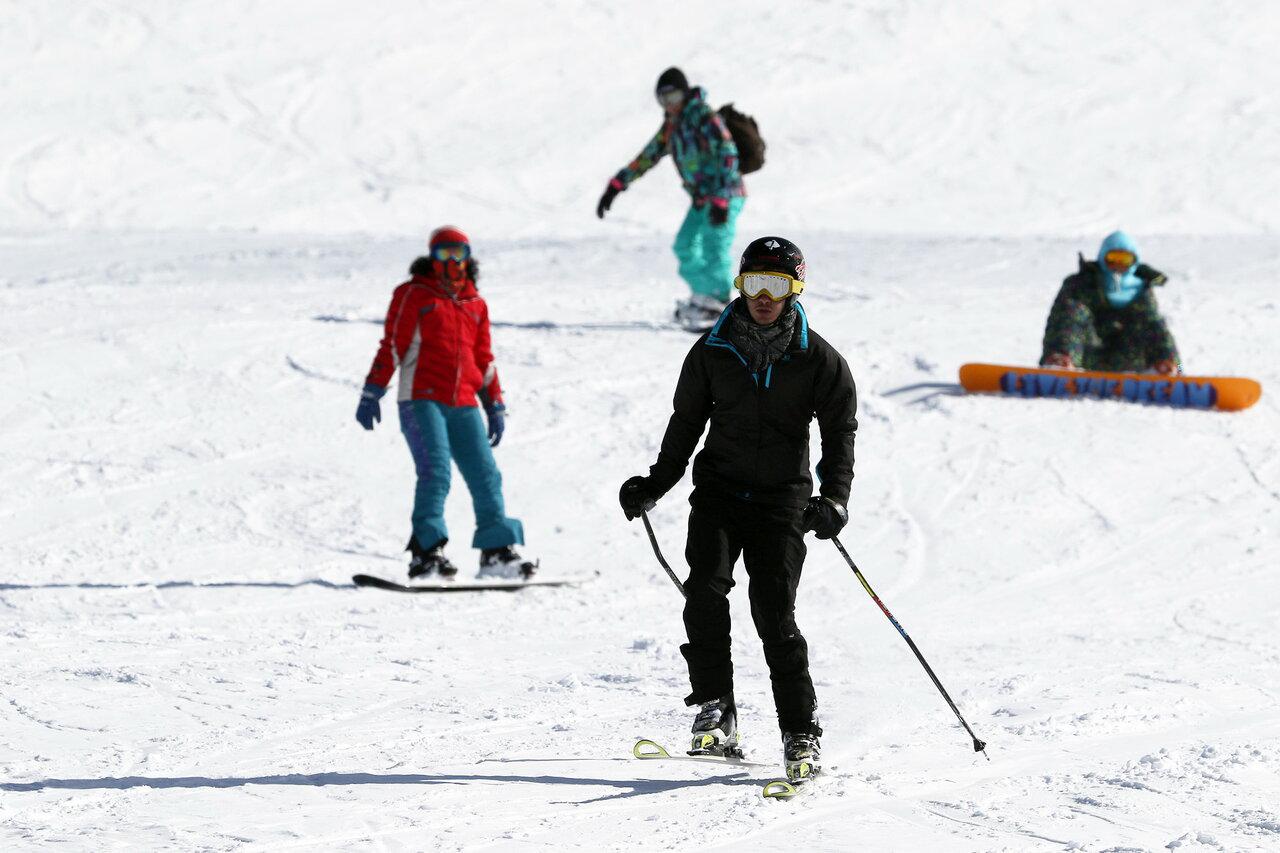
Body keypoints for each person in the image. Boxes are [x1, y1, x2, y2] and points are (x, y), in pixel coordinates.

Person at [617, 236, 857, 783]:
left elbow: (839, 428)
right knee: (704, 592)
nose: (763, 296)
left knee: (773, 612)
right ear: (740, 286)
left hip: (782, 502)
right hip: (720, 493)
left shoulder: (818, 358)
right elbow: (685, 423)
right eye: (753, 283)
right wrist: (657, 483)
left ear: (795, 289)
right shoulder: (711, 351)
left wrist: (835, 497)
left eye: (776, 285)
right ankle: (716, 711)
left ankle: (800, 732)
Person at [355, 226, 535, 580]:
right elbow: (392, 345)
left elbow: (483, 360)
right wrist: (373, 389)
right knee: (436, 472)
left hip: (464, 402)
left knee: (486, 475)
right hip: (421, 399)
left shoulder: (475, 304)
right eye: (443, 254)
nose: (452, 262)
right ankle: (426, 553)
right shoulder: (414, 294)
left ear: (468, 257)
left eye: (458, 253)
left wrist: (495, 404)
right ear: (431, 257)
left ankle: (496, 553)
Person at [596, 66, 746, 330]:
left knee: (714, 247)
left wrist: (722, 199)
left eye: (673, 97)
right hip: (702, 198)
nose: (669, 104)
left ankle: (721, 302)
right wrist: (617, 184)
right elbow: (648, 156)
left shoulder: (703, 116)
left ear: (685, 94)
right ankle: (706, 297)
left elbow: (728, 153)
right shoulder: (672, 126)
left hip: (725, 194)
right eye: (663, 100)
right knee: (684, 245)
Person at [1040, 231, 1180, 375]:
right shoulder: (1080, 284)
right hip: (1086, 355)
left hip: (1130, 359)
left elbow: (1159, 331)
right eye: (1113, 258)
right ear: (1102, 258)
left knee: (1153, 323)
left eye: (1124, 259)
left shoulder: (1142, 291)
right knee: (1071, 313)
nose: (1118, 265)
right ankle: (1059, 362)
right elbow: (1060, 322)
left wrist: (1179, 367)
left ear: (1134, 262)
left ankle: (1169, 369)